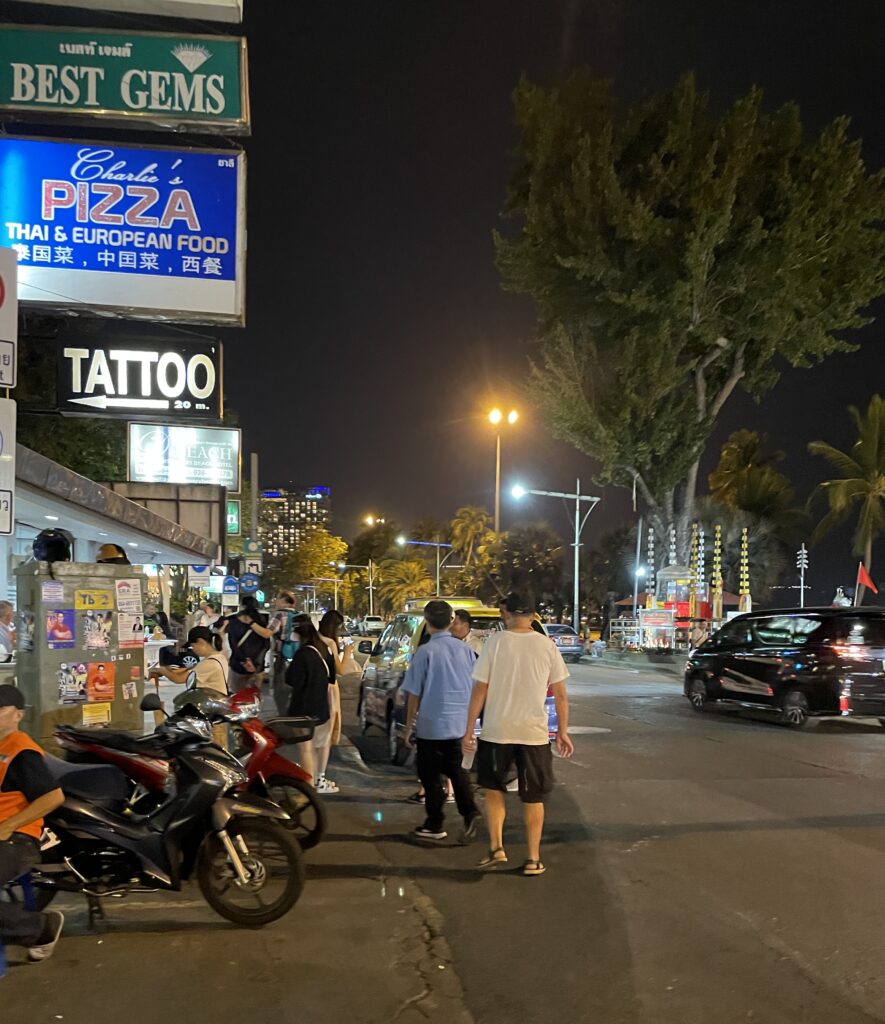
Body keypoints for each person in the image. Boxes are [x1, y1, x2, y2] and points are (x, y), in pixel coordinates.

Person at [462, 592, 573, 876]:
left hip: (497, 731)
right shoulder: (547, 646)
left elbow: (480, 689)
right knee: (534, 797)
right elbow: (560, 694)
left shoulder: (495, 643)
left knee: (494, 789)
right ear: (534, 615)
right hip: (534, 734)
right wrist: (562, 731)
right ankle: (533, 859)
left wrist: (468, 729)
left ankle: (497, 848)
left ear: (506, 614)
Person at [401, 600, 481, 843]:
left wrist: (407, 727)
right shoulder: (465, 650)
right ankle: (470, 811)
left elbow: (414, 693)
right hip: (458, 724)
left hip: (431, 725)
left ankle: (434, 824)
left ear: (427, 622)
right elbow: (477, 685)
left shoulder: (425, 652)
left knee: (430, 776)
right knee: (457, 771)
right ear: (450, 621)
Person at [0, 684, 66, 962]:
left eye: (1, 710)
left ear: (18, 715)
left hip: (15, 839)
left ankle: (40, 929)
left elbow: (53, 797)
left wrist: (9, 825)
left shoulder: (21, 750)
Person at [149, 627, 230, 747]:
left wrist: (162, 670)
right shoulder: (219, 658)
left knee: (213, 749)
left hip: (210, 714)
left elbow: (180, 679)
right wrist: (175, 669)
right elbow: (194, 670)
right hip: (218, 711)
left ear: (201, 642)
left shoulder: (209, 663)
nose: (194, 650)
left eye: (193, 646)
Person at [284, 620, 336, 786]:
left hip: (303, 709)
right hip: (321, 709)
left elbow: (291, 680)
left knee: (305, 749)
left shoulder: (303, 654)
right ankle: (313, 782)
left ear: (302, 636)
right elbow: (332, 677)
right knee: (313, 748)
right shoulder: (324, 651)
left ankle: (308, 788)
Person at [215, 596, 274, 693]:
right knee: (254, 697)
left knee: (237, 696)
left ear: (242, 606)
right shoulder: (262, 620)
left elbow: (232, 643)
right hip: (257, 667)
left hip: (238, 665)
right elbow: (266, 645)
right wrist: (256, 662)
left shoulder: (233, 620)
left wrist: (244, 661)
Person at [315, 610, 346, 794]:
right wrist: (348, 653)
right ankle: (320, 778)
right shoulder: (330, 643)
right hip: (329, 692)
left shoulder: (314, 639)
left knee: (313, 738)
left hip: (314, 690)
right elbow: (340, 670)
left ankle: (312, 777)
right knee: (326, 737)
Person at [270, 593, 300, 714]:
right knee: (296, 687)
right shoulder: (301, 616)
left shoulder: (279, 614)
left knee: (281, 688)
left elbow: (269, 631)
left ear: (284, 601)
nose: (276, 602)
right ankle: (294, 711)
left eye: (277, 599)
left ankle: (282, 713)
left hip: (283, 654)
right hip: (299, 656)